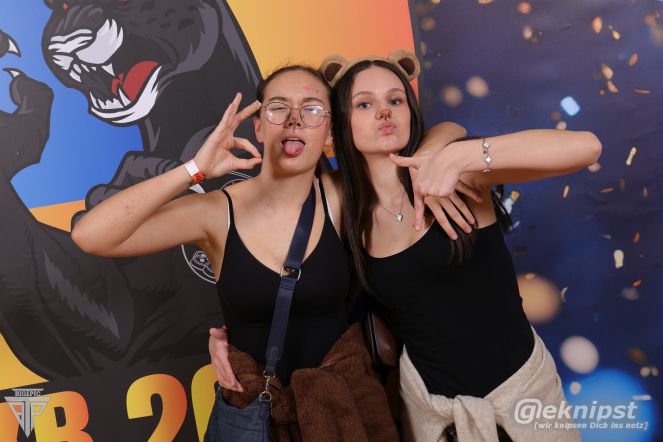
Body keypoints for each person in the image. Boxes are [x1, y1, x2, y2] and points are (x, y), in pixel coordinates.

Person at [208, 50, 601, 441]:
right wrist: (237, 339)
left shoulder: (457, 176)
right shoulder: (342, 207)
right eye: (365, 104)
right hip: (432, 418)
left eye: (395, 100)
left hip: (524, 399)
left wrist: (457, 152)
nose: (384, 112)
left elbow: (586, 148)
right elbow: (284, 271)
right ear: (339, 125)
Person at [71, 63, 469, 440]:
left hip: (344, 412)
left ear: (331, 132)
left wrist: (432, 151)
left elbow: (443, 127)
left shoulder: (345, 194)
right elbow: (92, 236)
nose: (295, 119)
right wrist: (194, 169)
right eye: (279, 108)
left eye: (312, 109)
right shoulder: (216, 213)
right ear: (259, 126)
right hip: (254, 418)